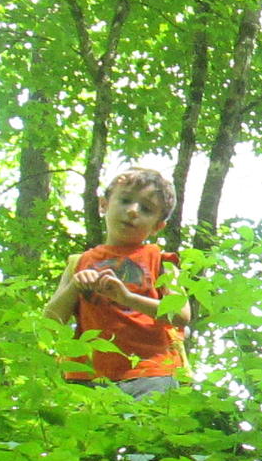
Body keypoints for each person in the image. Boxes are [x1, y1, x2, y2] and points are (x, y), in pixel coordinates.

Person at [44, 168, 190, 397]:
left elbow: (181, 314)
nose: (132, 211)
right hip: (87, 375)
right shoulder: (78, 263)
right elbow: (51, 320)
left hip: (151, 373)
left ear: (157, 226)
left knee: (144, 432)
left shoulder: (162, 262)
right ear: (103, 205)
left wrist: (127, 298)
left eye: (146, 209)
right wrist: (75, 286)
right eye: (125, 200)